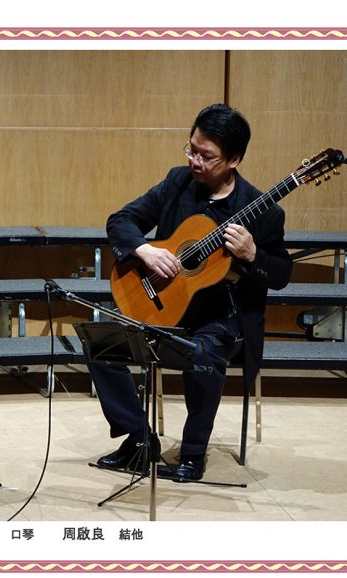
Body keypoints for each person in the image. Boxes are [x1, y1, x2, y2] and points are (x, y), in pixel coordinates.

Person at [90, 104, 292, 481]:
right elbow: (121, 220)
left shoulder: (263, 212)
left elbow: (281, 274)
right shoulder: (177, 182)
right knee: (100, 345)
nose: (194, 161)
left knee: (203, 355)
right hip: (161, 307)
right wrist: (145, 250)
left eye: (206, 156)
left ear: (233, 159)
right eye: (191, 149)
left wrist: (252, 254)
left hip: (218, 320)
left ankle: (193, 451)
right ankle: (139, 439)